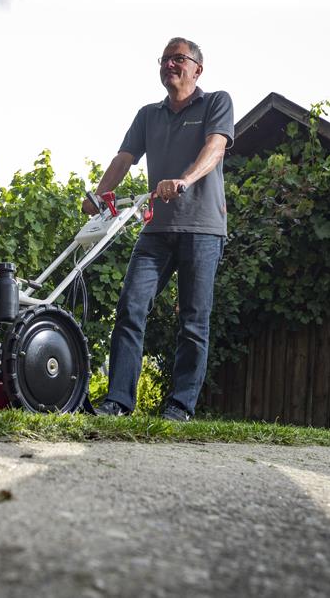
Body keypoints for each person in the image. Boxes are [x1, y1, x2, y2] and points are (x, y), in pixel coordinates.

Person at [86, 37, 234, 421]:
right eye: (164, 59)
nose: (170, 64)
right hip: (156, 230)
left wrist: (184, 180)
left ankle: (180, 408)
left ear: (197, 68)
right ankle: (118, 402)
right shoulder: (148, 115)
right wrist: (99, 195)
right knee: (130, 307)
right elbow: (124, 158)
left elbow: (215, 148)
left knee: (193, 321)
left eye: (178, 58)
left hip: (202, 229)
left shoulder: (216, 102)